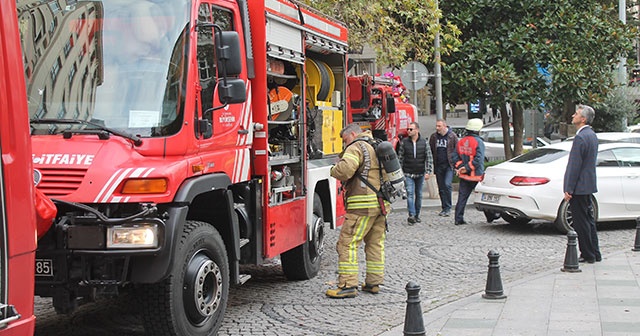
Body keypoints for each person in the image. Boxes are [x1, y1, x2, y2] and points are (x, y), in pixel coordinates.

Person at [326, 123, 389, 298]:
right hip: (382, 203)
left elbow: (345, 171)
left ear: (352, 134)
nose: (345, 144)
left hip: (362, 205)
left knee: (347, 243)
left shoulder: (356, 147)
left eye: (345, 140)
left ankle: (347, 285)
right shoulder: (377, 144)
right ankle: (373, 283)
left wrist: (333, 169)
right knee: (375, 243)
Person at [563, 104, 601, 263]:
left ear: (583, 119)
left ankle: (588, 254)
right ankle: (595, 252)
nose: (573, 115)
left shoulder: (580, 137)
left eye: (576, 114)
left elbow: (575, 165)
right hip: (587, 184)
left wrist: (568, 188)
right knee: (589, 221)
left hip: (579, 187)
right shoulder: (591, 135)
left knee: (581, 223)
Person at [397, 122, 433, 225]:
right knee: (410, 194)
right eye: (408, 129)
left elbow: (429, 157)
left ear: (417, 130)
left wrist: (428, 171)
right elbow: (400, 158)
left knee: (419, 195)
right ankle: (411, 215)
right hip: (408, 173)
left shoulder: (424, 142)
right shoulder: (404, 142)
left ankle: (417, 215)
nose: (408, 131)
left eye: (411, 129)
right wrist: (400, 172)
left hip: (420, 173)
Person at [452, 118, 485, 225]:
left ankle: (458, 218)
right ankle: (491, 216)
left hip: (464, 176)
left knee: (462, 197)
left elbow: (455, 157)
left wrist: (461, 167)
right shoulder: (478, 142)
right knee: (483, 198)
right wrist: (467, 167)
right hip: (476, 176)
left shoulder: (461, 141)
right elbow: (478, 160)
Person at [429, 119, 458, 217]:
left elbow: (456, 150)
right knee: (441, 187)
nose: (437, 128)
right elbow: (432, 150)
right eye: (436, 126)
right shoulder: (434, 137)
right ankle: (444, 207)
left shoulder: (452, 136)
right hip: (438, 165)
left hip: (449, 165)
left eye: (439, 126)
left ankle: (448, 207)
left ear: (444, 126)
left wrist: (456, 165)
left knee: (447, 184)